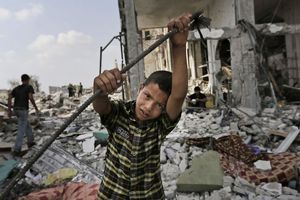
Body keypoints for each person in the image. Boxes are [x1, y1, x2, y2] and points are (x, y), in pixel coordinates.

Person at [93, 13, 191, 199]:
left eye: (158, 105)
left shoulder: (159, 125)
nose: (148, 107)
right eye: (147, 96)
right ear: (140, 88)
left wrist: (178, 46)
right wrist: (99, 88)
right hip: (111, 194)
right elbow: (101, 106)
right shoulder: (119, 113)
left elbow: (178, 95)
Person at [8, 74, 39, 156]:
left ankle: (30, 141)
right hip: (23, 110)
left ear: (21, 80)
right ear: (28, 80)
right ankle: (17, 149)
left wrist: (9, 111)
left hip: (16, 110)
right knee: (21, 129)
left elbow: (9, 97)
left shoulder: (16, 88)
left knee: (26, 125)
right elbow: (31, 98)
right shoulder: (29, 87)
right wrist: (36, 108)